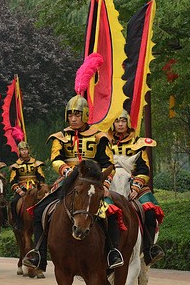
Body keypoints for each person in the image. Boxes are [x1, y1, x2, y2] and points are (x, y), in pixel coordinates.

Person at [23, 94, 122, 271]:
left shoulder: (99, 136)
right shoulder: (60, 137)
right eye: (70, 114)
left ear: (85, 115)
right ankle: (39, 255)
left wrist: (105, 185)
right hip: (67, 181)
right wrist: (66, 171)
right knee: (39, 211)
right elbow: (55, 159)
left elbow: (109, 164)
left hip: (93, 183)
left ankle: (112, 252)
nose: (73, 118)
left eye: (77, 114)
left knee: (112, 212)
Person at [107, 113, 165, 264]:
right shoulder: (104, 141)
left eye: (123, 121)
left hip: (133, 184)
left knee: (150, 212)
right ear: (113, 124)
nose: (120, 124)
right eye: (117, 121)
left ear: (128, 123)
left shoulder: (137, 142)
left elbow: (144, 168)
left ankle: (149, 249)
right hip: (109, 183)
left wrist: (135, 187)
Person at [7, 141, 45, 230]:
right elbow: (12, 180)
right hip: (22, 188)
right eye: (22, 150)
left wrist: (41, 187)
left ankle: (46, 221)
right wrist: (18, 190)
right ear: (19, 151)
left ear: (28, 150)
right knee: (14, 202)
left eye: (25, 149)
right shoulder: (16, 165)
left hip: (35, 188)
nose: (24, 151)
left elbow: (41, 177)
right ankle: (16, 222)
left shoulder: (36, 163)